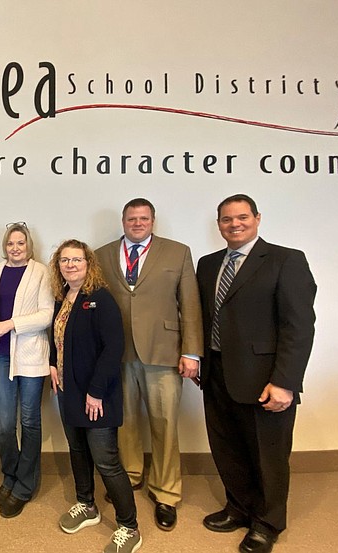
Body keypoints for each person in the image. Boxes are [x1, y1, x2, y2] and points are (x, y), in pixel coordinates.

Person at [196, 194, 316, 553]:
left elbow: (299, 326)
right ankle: (239, 508)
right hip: (216, 372)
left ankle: (267, 522)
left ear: (257, 218)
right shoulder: (207, 264)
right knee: (227, 447)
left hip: (266, 379)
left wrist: (285, 382)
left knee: (269, 454)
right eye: (227, 219)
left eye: (242, 217)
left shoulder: (285, 260)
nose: (235, 224)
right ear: (218, 224)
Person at [95, 198, 202, 531]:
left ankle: (166, 493)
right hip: (118, 353)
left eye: (143, 218)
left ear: (153, 221)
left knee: (165, 423)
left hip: (164, 352)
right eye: (131, 219)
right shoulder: (102, 254)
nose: (137, 223)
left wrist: (192, 352)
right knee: (124, 421)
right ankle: (130, 474)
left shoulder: (177, 252)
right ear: (123, 222)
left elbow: (191, 303)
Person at [49, 239, 142, 553]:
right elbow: (57, 337)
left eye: (77, 260)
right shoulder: (63, 297)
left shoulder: (100, 298)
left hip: (95, 395)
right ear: (58, 265)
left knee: (107, 461)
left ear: (88, 264)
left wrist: (96, 392)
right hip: (67, 390)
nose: (71, 265)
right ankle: (86, 505)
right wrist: (52, 364)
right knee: (78, 451)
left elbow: (113, 348)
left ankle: (129, 527)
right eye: (65, 260)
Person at [0, 223, 54, 518]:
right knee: (5, 424)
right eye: (11, 243)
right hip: (1, 355)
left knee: (30, 421)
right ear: (5, 246)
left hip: (31, 356)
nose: (15, 248)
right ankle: (10, 475)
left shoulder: (41, 272)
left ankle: (24, 485)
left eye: (20, 243)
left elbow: (47, 314)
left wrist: (9, 324)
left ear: (28, 245)